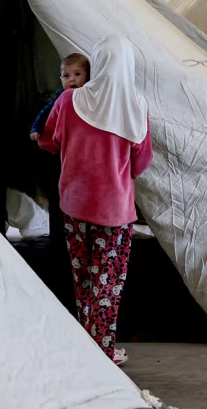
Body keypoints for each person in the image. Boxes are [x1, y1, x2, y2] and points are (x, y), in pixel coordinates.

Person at [38, 36, 152, 366]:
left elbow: (51, 140)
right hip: (114, 210)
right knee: (108, 283)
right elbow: (140, 163)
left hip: (74, 203)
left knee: (84, 280)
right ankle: (101, 353)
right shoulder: (136, 106)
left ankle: (88, 347)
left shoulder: (69, 100)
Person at [29, 53, 90, 142]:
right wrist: (36, 128)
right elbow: (45, 113)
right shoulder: (60, 96)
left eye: (77, 74)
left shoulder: (89, 93)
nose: (71, 79)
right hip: (67, 137)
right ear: (61, 79)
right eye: (66, 76)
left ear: (87, 76)